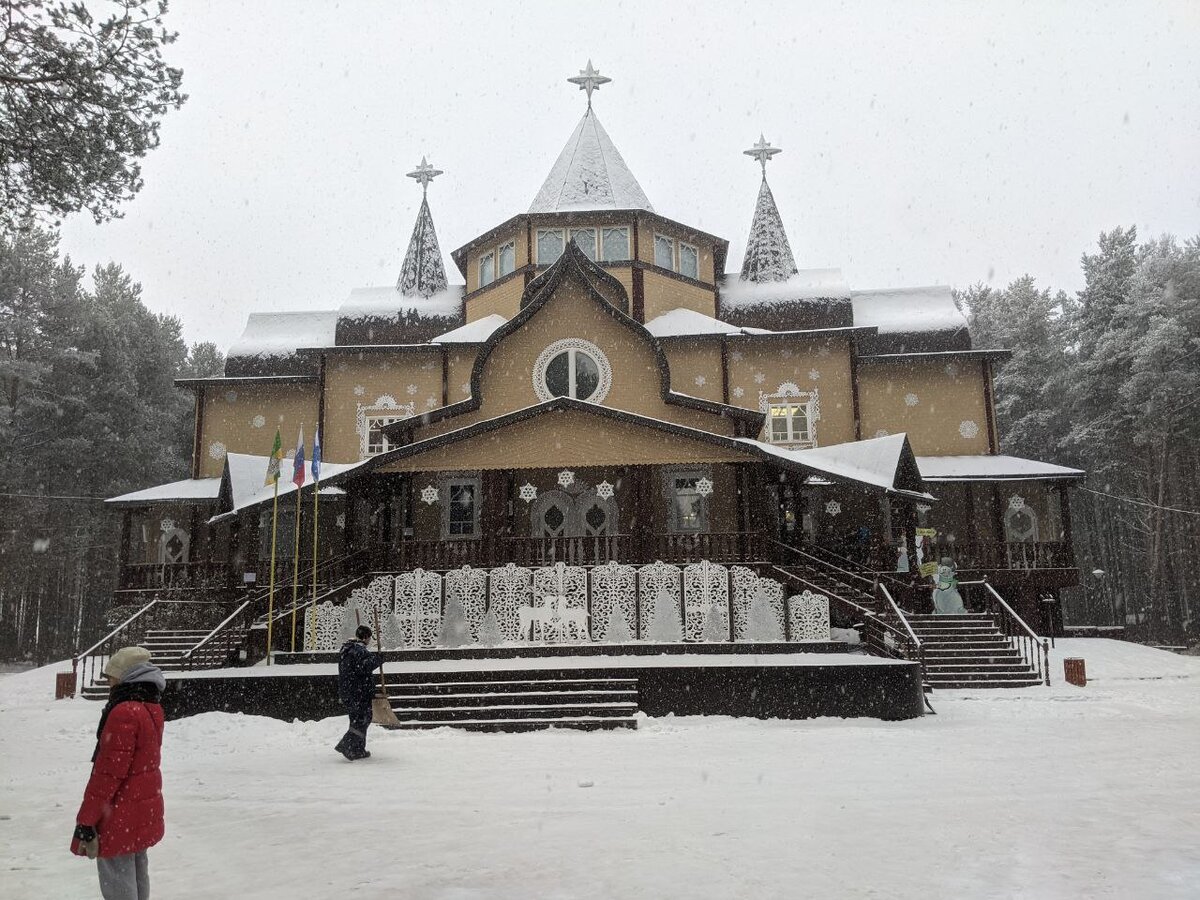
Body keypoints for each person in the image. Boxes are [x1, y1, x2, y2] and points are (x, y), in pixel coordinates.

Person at [71, 646, 166, 900]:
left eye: (112, 676)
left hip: (119, 812)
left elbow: (107, 774)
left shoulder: (124, 711)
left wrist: (87, 820)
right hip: (141, 807)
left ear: (128, 676)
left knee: (118, 880)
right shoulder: (150, 705)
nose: (109, 682)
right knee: (136, 870)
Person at [334, 625, 383, 761]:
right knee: (362, 720)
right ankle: (347, 745)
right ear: (366, 637)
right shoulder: (358, 650)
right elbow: (363, 668)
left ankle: (358, 749)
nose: (370, 640)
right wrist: (377, 659)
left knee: (357, 720)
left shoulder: (348, 648)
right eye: (369, 637)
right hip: (358, 692)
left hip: (349, 690)